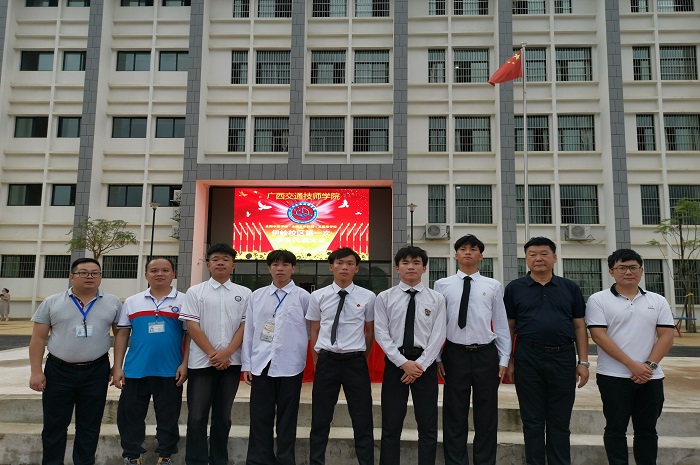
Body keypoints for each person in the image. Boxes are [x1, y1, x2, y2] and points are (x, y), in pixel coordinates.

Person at [503, 237, 589, 465]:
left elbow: (579, 326)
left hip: (563, 357)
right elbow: (509, 326)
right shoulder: (514, 289)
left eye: (544, 254)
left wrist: (583, 362)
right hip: (527, 357)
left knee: (560, 421)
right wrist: (508, 360)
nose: (538, 258)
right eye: (532, 254)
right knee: (532, 420)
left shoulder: (570, 288)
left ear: (554, 257)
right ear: (526, 259)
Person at [28, 257, 122, 465]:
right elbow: (38, 338)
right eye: (83, 273)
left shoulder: (113, 302)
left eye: (95, 273)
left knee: (89, 425)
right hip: (58, 371)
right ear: (71, 277)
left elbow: (120, 336)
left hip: (96, 371)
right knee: (54, 425)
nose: (90, 276)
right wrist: (36, 371)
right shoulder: (52, 302)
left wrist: (117, 367)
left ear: (100, 277)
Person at [586, 249, 674, 465]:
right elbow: (598, 336)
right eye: (622, 268)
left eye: (633, 267)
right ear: (611, 271)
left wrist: (649, 366)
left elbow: (666, 336)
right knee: (615, 428)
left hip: (651, 377)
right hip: (613, 376)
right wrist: (632, 365)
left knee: (647, 430)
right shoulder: (598, 300)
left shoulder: (657, 300)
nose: (628, 272)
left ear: (641, 270)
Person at [434, 234, 511, 465]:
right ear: (455, 254)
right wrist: (437, 357)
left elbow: (500, 324)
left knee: (486, 414)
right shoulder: (442, 285)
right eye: (463, 249)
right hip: (454, 354)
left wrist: (504, 359)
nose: (468, 252)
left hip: (485, 355)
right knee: (454, 413)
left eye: (473, 249)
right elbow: (437, 324)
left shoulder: (493, 285)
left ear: (481, 255)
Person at [179, 243, 251, 465]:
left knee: (223, 416)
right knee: (197, 416)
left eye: (226, 259)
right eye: (216, 259)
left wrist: (227, 352)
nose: (221, 263)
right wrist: (214, 354)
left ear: (233, 265)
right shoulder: (195, 292)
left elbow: (245, 326)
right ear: (208, 264)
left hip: (231, 363)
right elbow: (192, 326)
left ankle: (219, 459)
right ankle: (196, 460)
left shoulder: (245, 293)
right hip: (201, 363)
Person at [112, 257, 189, 465]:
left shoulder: (184, 301)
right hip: (136, 370)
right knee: (130, 416)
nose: (159, 274)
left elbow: (190, 334)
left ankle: (165, 455)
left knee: (168, 417)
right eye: (154, 270)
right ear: (146, 275)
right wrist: (117, 367)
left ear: (173, 274)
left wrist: (185, 364)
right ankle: (132, 456)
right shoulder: (132, 301)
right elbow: (122, 334)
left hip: (170, 370)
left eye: (165, 270)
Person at [374, 246, 446, 465]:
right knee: (391, 424)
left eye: (416, 262)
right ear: (397, 268)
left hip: (425, 365)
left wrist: (420, 365)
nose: (411, 267)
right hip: (396, 364)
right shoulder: (384, 298)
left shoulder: (436, 298)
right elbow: (381, 333)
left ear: (424, 268)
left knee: (427, 425)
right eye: (405, 263)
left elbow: (438, 334)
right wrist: (403, 363)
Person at [306, 247, 376, 465]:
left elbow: (370, 331)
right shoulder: (318, 296)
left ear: (356, 268)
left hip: (355, 362)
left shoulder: (368, 297)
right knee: (320, 418)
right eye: (339, 263)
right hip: (327, 361)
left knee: (362, 418)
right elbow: (314, 330)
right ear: (331, 267)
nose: (344, 267)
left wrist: (361, 357)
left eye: (349, 263)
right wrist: (317, 360)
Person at [241, 249, 311, 465]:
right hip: (261, 364)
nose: (280, 269)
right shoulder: (257, 296)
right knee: (259, 417)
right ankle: (258, 460)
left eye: (285, 265)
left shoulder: (304, 297)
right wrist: (246, 365)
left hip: (291, 365)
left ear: (293, 268)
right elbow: (249, 331)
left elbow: (311, 331)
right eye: (275, 265)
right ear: (269, 268)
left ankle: (285, 460)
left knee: (287, 419)